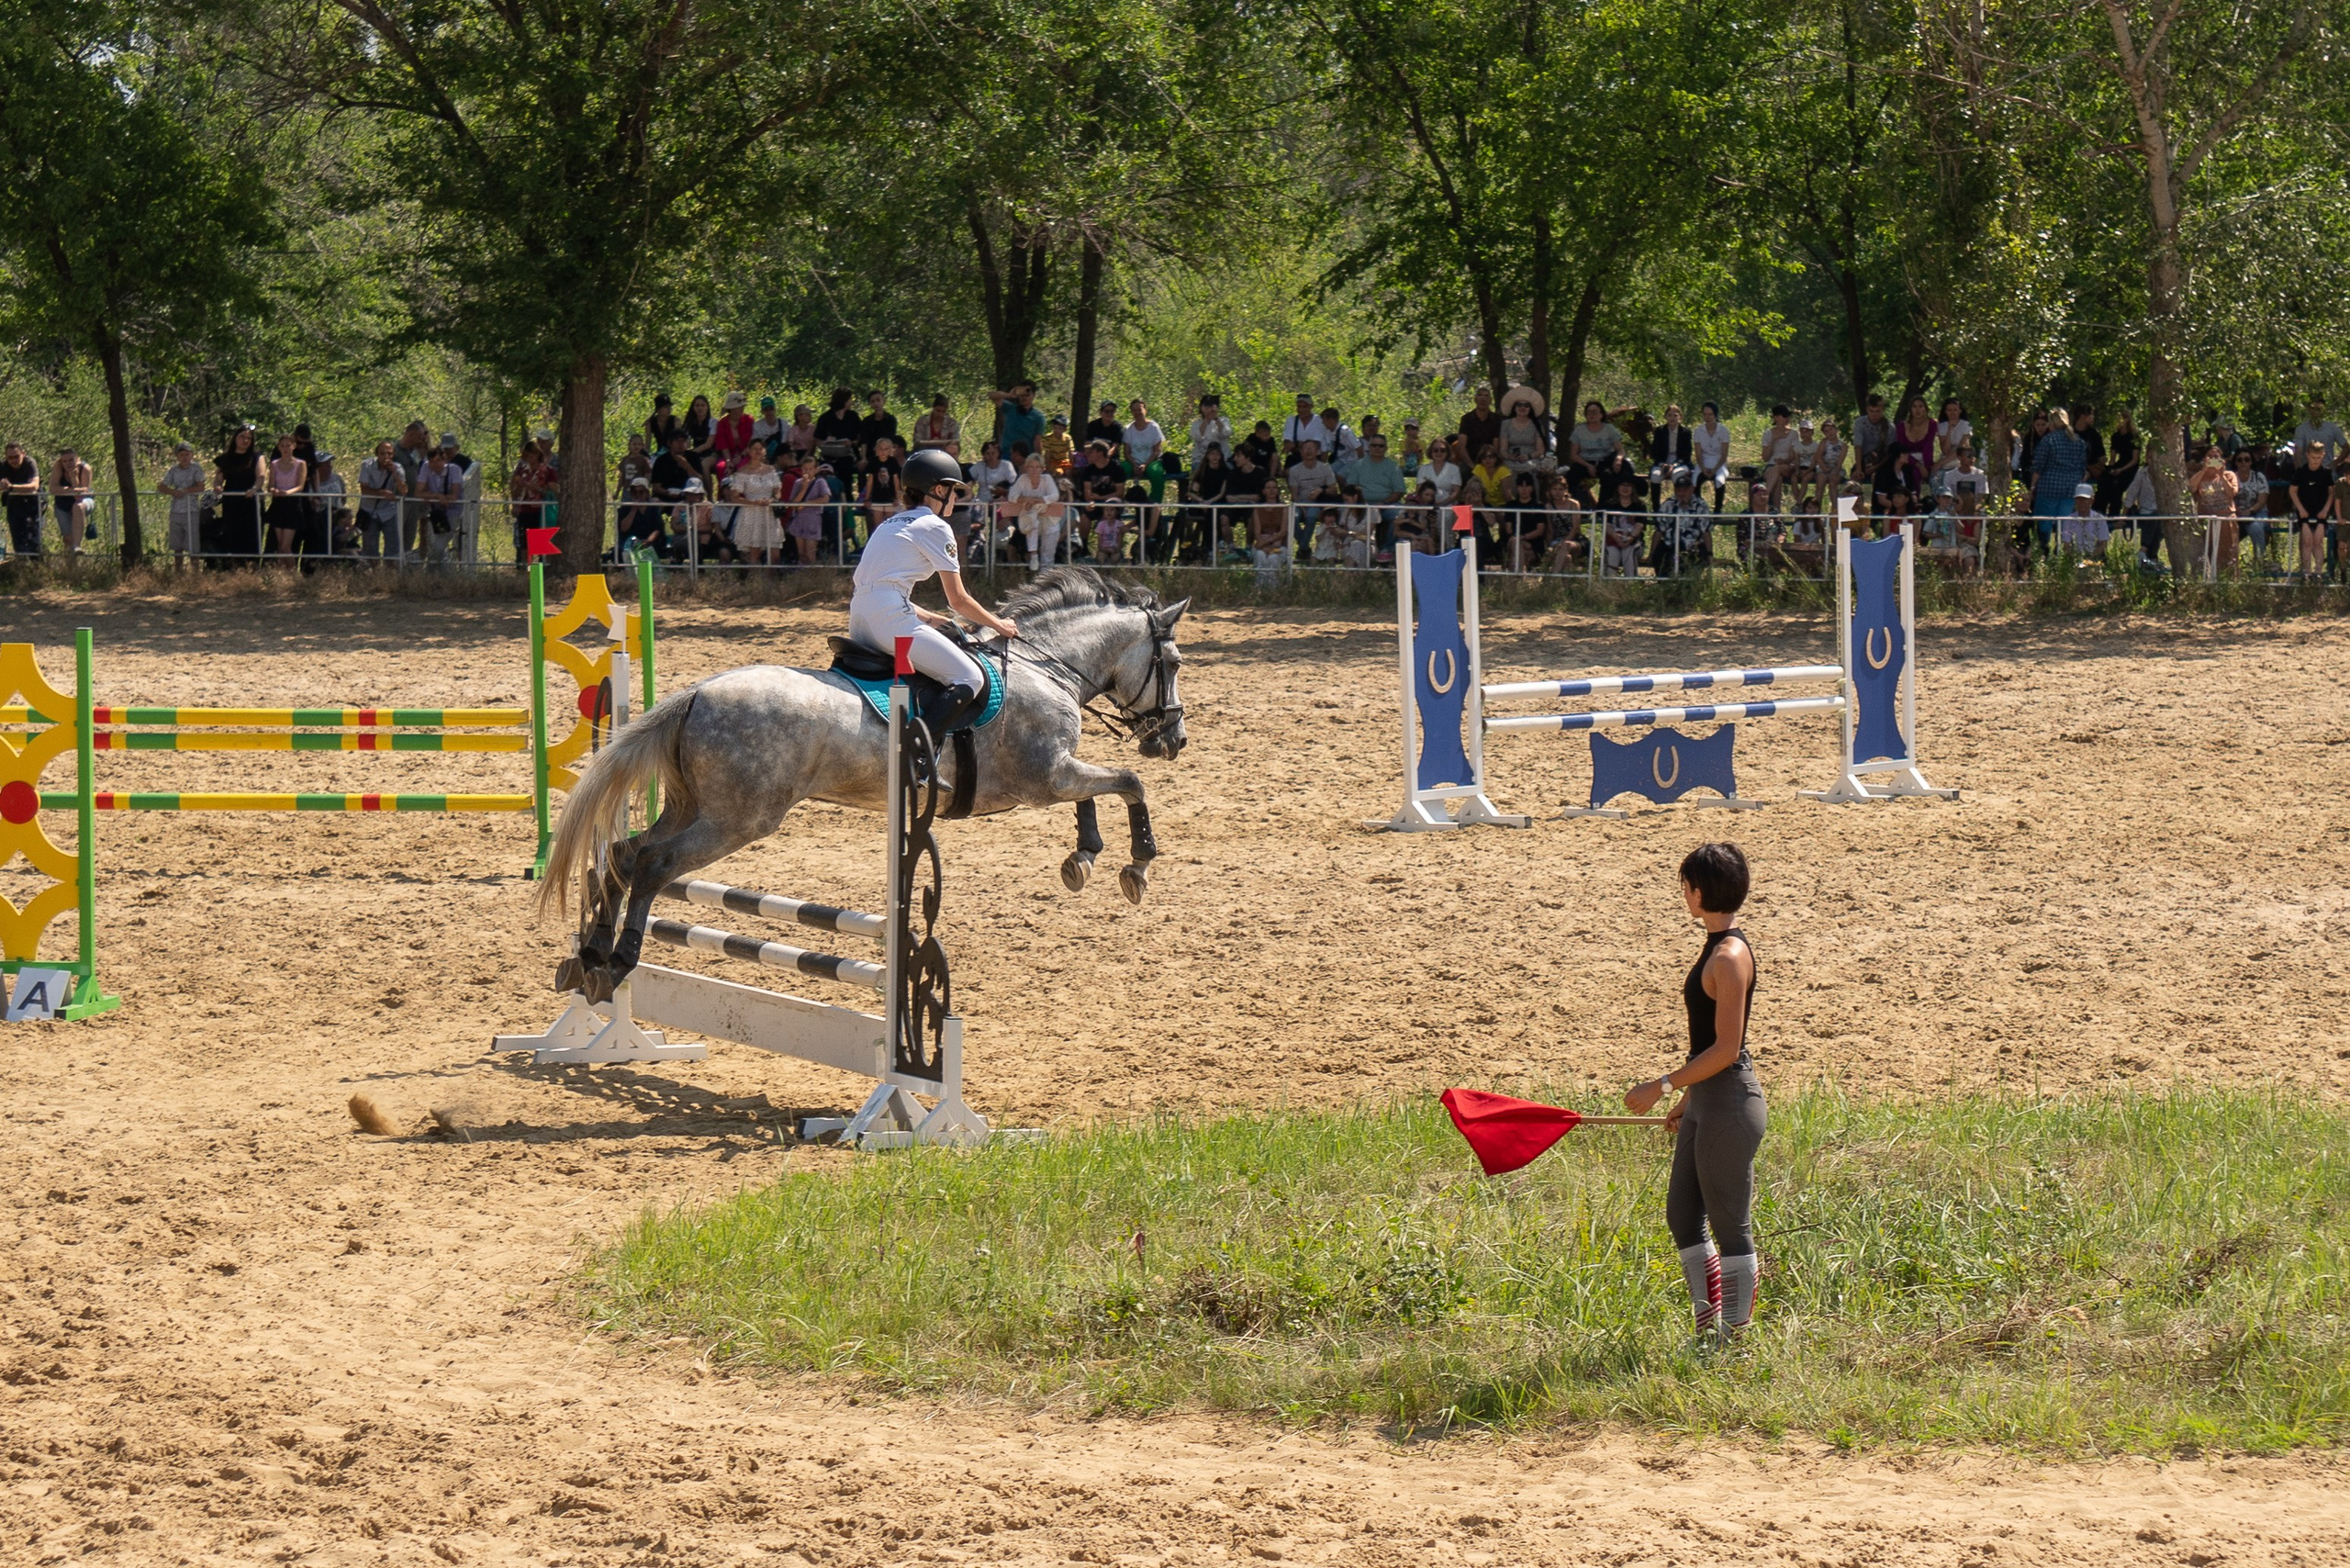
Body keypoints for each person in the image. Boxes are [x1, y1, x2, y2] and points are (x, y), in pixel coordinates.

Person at [1623, 842, 1765, 1344]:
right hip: (1708, 1101)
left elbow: (1727, 1047)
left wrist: (1662, 1087)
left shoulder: (1727, 957)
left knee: (1731, 1228)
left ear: (1698, 892)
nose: (1683, 894)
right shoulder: (1717, 945)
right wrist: (1688, 1101)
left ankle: (1734, 1341)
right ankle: (1708, 1331)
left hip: (1729, 1103)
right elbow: (1710, 1043)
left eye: (1685, 886)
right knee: (1683, 1216)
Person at [848, 448, 1017, 744]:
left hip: (860, 620)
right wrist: (999, 625)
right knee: (970, 678)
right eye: (953, 491)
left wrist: (927, 616)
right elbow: (959, 600)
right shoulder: (936, 526)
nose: (955, 498)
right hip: (890, 624)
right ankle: (917, 752)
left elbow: (880, 585)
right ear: (938, 490)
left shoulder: (890, 523)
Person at [1003, 450, 1065, 568]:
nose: (1034, 470)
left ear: (1042, 468)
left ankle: (1045, 578)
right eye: (1031, 467)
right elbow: (1012, 496)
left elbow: (1054, 495)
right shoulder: (1023, 479)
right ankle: (1033, 554)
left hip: (1049, 519)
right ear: (1026, 468)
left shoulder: (1047, 479)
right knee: (1032, 521)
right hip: (1031, 519)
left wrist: (1039, 500)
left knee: (1048, 554)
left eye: (1037, 467)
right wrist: (1026, 499)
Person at [728, 441, 783, 567]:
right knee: (755, 553)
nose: (758, 451)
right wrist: (753, 502)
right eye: (755, 449)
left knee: (775, 554)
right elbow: (734, 497)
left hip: (769, 513)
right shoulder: (743, 472)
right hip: (752, 514)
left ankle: (771, 584)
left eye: (760, 448)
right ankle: (755, 584)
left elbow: (778, 492)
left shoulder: (771, 470)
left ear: (764, 451)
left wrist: (771, 500)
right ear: (749, 451)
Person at [215, 425, 264, 559]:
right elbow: (218, 480)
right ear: (235, 438)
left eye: (249, 438)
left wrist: (254, 489)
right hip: (232, 502)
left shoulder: (256, 457)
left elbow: (261, 477)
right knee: (232, 535)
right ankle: (232, 567)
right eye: (242, 436)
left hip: (251, 502)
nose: (245, 440)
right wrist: (218, 487)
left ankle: (251, 567)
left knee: (251, 536)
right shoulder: (226, 458)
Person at [2290, 440, 2337, 580]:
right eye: (2313, 457)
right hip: (2304, 510)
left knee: (2318, 542)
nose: (2316, 460)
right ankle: (2306, 572)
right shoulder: (2301, 472)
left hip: (2320, 511)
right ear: (2308, 455)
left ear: (2323, 456)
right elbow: (2292, 491)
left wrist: (2325, 510)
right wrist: (2300, 509)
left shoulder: (2326, 473)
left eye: (2319, 457)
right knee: (2306, 541)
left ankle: (2318, 572)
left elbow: (2331, 493)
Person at [159, 442, 208, 567]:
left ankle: (195, 572)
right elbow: (161, 486)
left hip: (191, 510)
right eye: (182, 455)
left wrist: (186, 491)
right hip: (176, 511)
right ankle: (178, 571)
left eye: (187, 454)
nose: (185, 457)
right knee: (177, 544)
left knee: (193, 543)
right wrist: (173, 492)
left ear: (192, 455)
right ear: (177, 456)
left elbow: (201, 487)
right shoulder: (173, 470)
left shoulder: (196, 468)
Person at [1563, 401, 1621, 502]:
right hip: (1584, 461)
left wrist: (1618, 459)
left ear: (1601, 414)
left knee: (1609, 477)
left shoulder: (1609, 429)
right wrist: (1587, 465)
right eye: (1589, 412)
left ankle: (1603, 509)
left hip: (1604, 461)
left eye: (1595, 412)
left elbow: (1620, 450)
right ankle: (1575, 506)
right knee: (1571, 476)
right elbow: (1573, 455)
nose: (1592, 415)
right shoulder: (1579, 430)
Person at [262, 434, 307, 562]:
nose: (285, 448)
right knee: (280, 546)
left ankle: (293, 576)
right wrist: (274, 490)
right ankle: (283, 576)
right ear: (278, 448)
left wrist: (287, 492)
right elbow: (270, 485)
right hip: (278, 504)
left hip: (292, 504)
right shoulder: (274, 464)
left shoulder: (300, 464)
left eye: (288, 445)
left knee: (286, 546)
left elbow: (300, 486)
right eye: (282, 446)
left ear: (294, 446)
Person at [49, 446, 94, 557]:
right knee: (67, 538)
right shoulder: (58, 466)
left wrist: (74, 478)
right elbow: (52, 489)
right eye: (64, 461)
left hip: (85, 502)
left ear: (77, 459)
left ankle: (77, 545)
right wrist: (74, 490)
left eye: (71, 460)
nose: (68, 463)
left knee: (77, 506)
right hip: (62, 505)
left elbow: (79, 497)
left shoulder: (85, 469)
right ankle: (70, 570)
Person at [984, 381, 1045, 460]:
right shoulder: (1010, 408)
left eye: (1027, 395)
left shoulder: (1038, 417)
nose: (1024, 398)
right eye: (1022, 395)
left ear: (1033, 396)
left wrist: (1038, 460)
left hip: (1025, 456)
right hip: (1007, 454)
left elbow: (1037, 442)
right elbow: (991, 395)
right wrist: (1009, 395)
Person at [1, 440, 39, 558]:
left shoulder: (30, 463)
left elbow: (34, 486)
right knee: (17, 538)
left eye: (16, 456)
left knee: (33, 538)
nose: (13, 460)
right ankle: (21, 568)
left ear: (23, 453)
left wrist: (11, 487)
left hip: (32, 503)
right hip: (14, 503)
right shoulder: (3, 466)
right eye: (10, 457)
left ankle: (38, 568)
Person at [1455, 386, 1500, 473]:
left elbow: (1496, 445)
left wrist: (1490, 463)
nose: (1483, 399)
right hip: (1470, 461)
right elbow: (1461, 446)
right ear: (1475, 399)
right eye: (1480, 395)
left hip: (1490, 460)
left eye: (1486, 396)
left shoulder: (1497, 419)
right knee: (1461, 472)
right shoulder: (1466, 419)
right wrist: (1472, 466)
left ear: (1490, 401)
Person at [911, 394, 961, 458]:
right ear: (933, 408)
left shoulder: (951, 423)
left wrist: (936, 442)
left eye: (943, 412)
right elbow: (917, 441)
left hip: (944, 453)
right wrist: (935, 443)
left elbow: (956, 441)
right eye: (938, 411)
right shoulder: (923, 421)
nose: (940, 414)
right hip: (924, 452)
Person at [1186, 393, 1232, 464]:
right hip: (1200, 460)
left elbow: (1226, 433)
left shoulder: (1224, 421)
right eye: (1206, 406)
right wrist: (1206, 420)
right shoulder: (1196, 424)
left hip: (1223, 459)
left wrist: (1216, 419)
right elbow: (1197, 437)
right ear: (1201, 407)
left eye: (1211, 406)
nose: (1209, 408)